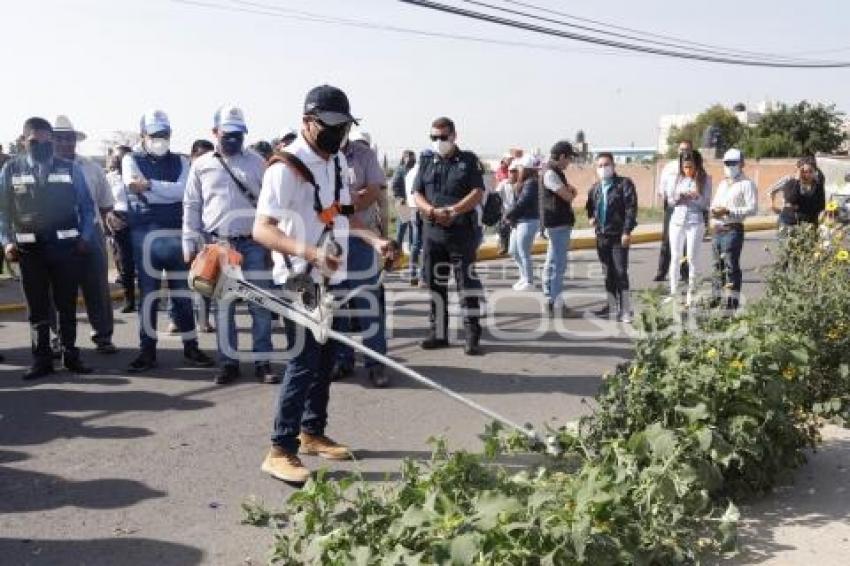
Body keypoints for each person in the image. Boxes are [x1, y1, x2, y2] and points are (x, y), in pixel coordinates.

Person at [253, 85, 395, 483]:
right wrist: (311, 253)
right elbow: (262, 231)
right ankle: (280, 449)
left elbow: (341, 216)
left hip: (332, 278)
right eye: (329, 126)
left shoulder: (334, 162)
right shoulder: (285, 167)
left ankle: (312, 431)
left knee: (328, 357)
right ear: (307, 123)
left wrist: (374, 240)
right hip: (299, 279)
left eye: (343, 126)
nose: (337, 134)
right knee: (302, 363)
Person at [183, 105, 276, 385]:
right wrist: (189, 241)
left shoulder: (258, 163)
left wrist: (274, 245)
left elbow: (271, 204)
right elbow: (192, 205)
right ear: (215, 132)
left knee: (260, 305)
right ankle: (228, 363)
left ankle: (263, 363)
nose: (234, 140)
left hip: (253, 245)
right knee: (224, 307)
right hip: (217, 246)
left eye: (239, 135)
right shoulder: (201, 166)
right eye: (228, 134)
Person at [0, 117, 95, 379]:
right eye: (34, 141)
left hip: (66, 249)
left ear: (52, 140)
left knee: (66, 305)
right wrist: (6, 241)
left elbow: (87, 207)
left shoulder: (70, 168)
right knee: (37, 308)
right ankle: (41, 359)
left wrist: (84, 237)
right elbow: (3, 211)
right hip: (29, 252)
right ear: (24, 141)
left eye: (46, 140)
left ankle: (71, 355)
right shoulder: (11, 169)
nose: (41, 145)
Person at [122, 110, 214, 372]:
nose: (160, 139)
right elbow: (133, 185)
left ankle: (191, 348)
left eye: (165, 134)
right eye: (155, 135)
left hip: (175, 231)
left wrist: (149, 185)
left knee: (182, 295)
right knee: (149, 295)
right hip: (145, 234)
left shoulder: (182, 161)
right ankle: (147, 352)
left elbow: (184, 191)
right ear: (143, 135)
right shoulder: (130, 159)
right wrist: (165, 190)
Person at [412, 117, 485, 356]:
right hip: (433, 232)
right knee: (435, 284)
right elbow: (417, 193)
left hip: (461, 232)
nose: (438, 142)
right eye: (434, 137)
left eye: (442, 137)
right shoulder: (426, 160)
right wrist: (432, 211)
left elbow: (477, 192)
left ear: (454, 136)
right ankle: (438, 333)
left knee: (466, 284)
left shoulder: (468, 160)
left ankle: (472, 334)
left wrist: (454, 210)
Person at [53, 115, 118, 354]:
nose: (65, 143)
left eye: (69, 138)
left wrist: (107, 230)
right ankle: (58, 339)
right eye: (59, 139)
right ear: (51, 141)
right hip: (56, 237)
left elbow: (104, 203)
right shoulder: (42, 168)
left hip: (91, 233)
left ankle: (103, 336)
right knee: (57, 290)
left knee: (97, 288)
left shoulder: (90, 167)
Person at [332, 129, 391, 386]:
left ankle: (376, 364)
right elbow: (323, 205)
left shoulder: (365, 155)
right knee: (336, 306)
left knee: (368, 304)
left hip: (361, 240)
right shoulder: (320, 158)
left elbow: (374, 193)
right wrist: (352, 200)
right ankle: (341, 361)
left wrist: (346, 205)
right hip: (330, 242)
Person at [586, 152, 638, 322]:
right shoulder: (595, 188)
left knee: (620, 272)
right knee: (608, 272)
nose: (603, 168)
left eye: (606, 165)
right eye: (600, 165)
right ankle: (611, 304)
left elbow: (631, 209)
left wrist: (626, 231)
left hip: (618, 236)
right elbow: (589, 207)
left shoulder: (624, 184)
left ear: (613, 166)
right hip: (602, 236)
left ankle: (625, 309)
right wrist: (591, 218)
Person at [710, 148, 758, 310]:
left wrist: (729, 211)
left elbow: (752, 208)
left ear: (741, 163)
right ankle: (716, 298)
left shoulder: (747, 184)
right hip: (718, 228)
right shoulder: (723, 184)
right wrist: (714, 211)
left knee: (731, 266)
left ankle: (732, 302)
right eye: (727, 163)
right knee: (717, 266)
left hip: (733, 228)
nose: (730, 166)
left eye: (733, 163)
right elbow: (714, 203)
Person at [664, 150, 712, 306]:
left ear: (697, 166)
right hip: (677, 221)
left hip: (695, 222)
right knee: (675, 257)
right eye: (685, 167)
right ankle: (673, 293)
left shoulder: (705, 179)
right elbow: (670, 200)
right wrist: (679, 196)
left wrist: (695, 196)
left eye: (691, 167)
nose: (687, 170)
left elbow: (705, 204)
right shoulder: (676, 178)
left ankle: (692, 294)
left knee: (691, 257)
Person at [540, 141, 579, 318]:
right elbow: (568, 195)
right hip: (557, 224)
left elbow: (568, 191)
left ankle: (550, 299)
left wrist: (570, 191)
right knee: (558, 265)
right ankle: (556, 303)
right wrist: (571, 193)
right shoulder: (551, 173)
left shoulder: (554, 173)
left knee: (552, 262)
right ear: (562, 156)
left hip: (556, 223)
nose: (569, 162)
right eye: (569, 158)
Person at [654, 139, 694, 282]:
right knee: (666, 240)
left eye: (687, 149)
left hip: (689, 207)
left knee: (685, 241)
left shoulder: (695, 167)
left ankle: (684, 273)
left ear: (692, 150)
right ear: (678, 150)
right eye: (681, 149)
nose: (684, 152)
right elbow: (662, 186)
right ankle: (661, 271)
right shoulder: (669, 167)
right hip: (672, 206)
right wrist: (666, 196)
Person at [105, 145, 137, 313]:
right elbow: (104, 201)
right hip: (119, 222)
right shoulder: (110, 178)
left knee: (144, 262)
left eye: (125, 157)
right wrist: (109, 221)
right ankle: (129, 299)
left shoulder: (138, 175)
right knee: (125, 263)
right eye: (119, 158)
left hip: (139, 221)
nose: (121, 161)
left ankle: (148, 299)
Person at [505, 155, 539, 291]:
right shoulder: (523, 182)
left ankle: (529, 281)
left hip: (528, 220)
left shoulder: (531, 182)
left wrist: (508, 214)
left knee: (524, 251)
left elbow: (523, 202)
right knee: (513, 250)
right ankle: (524, 277)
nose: (516, 170)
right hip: (519, 221)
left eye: (518, 167)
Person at [771, 156, 825, 229]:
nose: (808, 174)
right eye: (805, 172)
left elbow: (820, 206)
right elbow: (792, 199)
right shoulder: (791, 183)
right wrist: (797, 181)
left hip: (809, 225)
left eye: (811, 171)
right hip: (790, 223)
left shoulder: (817, 186)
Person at [391, 150, 416, 251]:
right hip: (403, 202)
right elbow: (394, 185)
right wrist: (400, 198)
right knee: (402, 226)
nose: (411, 159)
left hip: (412, 202)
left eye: (412, 157)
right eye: (408, 157)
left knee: (411, 226)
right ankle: (397, 249)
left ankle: (410, 249)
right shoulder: (400, 170)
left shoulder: (414, 170)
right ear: (404, 158)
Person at [495, 158, 519, 255]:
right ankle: (504, 246)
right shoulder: (504, 184)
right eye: (511, 171)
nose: (512, 174)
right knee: (503, 229)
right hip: (506, 211)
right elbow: (496, 195)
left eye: (514, 172)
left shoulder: (521, 184)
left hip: (518, 212)